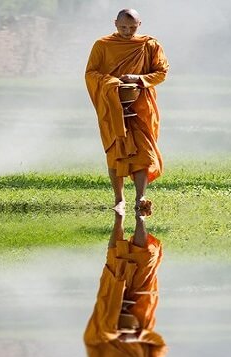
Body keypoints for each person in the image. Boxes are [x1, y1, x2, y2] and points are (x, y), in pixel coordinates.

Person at [85, 8, 169, 216]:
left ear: (139, 25)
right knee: (116, 151)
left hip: (141, 106)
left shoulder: (149, 45)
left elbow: (161, 72)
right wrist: (111, 83)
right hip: (112, 107)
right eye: (123, 27)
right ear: (115, 23)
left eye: (132, 27)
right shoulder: (102, 45)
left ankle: (140, 196)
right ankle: (119, 199)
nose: (127, 31)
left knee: (142, 152)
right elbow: (91, 73)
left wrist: (139, 79)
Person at [83, 211, 167, 357]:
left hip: (111, 305)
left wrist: (113, 333)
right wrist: (137, 336)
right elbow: (159, 344)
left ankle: (119, 215)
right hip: (140, 307)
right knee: (145, 259)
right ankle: (140, 218)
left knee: (116, 259)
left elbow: (90, 340)